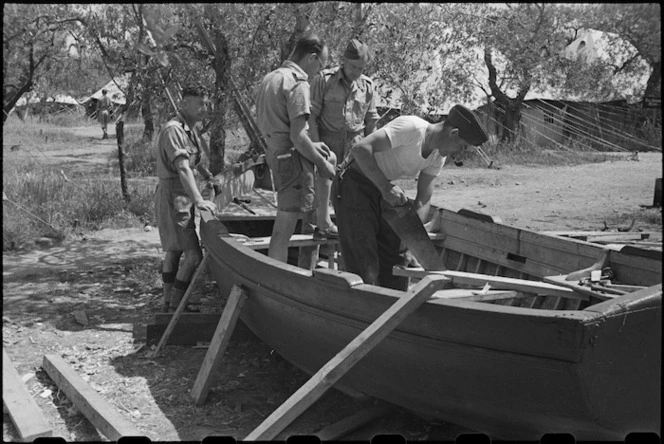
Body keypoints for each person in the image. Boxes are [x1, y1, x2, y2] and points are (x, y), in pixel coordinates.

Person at [334, 104, 489, 290]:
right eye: (462, 146)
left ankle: (396, 306)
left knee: (396, 261)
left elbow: (423, 199)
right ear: (453, 133)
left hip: (381, 189)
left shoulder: (437, 157)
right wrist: (385, 187)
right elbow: (360, 150)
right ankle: (365, 306)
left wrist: (411, 244)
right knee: (364, 262)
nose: (460, 152)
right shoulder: (411, 128)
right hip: (353, 183)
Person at [255, 33, 337, 262]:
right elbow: (298, 136)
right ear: (311, 58)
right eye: (321, 65)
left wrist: (318, 151)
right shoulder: (298, 83)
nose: (319, 72)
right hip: (290, 160)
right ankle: (277, 282)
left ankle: (323, 222)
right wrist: (320, 164)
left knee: (328, 156)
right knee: (283, 229)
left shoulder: (271, 77)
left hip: (275, 152)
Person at [307, 38, 379, 239]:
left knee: (352, 192)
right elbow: (311, 116)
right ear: (344, 61)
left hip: (355, 144)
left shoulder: (368, 85)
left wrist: (372, 155)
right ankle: (321, 225)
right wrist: (314, 144)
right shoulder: (324, 80)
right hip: (327, 140)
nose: (357, 71)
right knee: (321, 191)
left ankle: (349, 235)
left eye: (361, 67)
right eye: (354, 66)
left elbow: (371, 122)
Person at [154, 84, 217, 312]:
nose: (204, 108)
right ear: (184, 104)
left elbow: (193, 163)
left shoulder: (189, 130)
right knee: (192, 256)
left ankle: (168, 303)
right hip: (175, 196)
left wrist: (208, 176)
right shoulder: (174, 130)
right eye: (199, 103)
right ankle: (177, 307)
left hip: (181, 195)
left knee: (174, 250)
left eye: (205, 103)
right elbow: (182, 168)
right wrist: (199, 200)